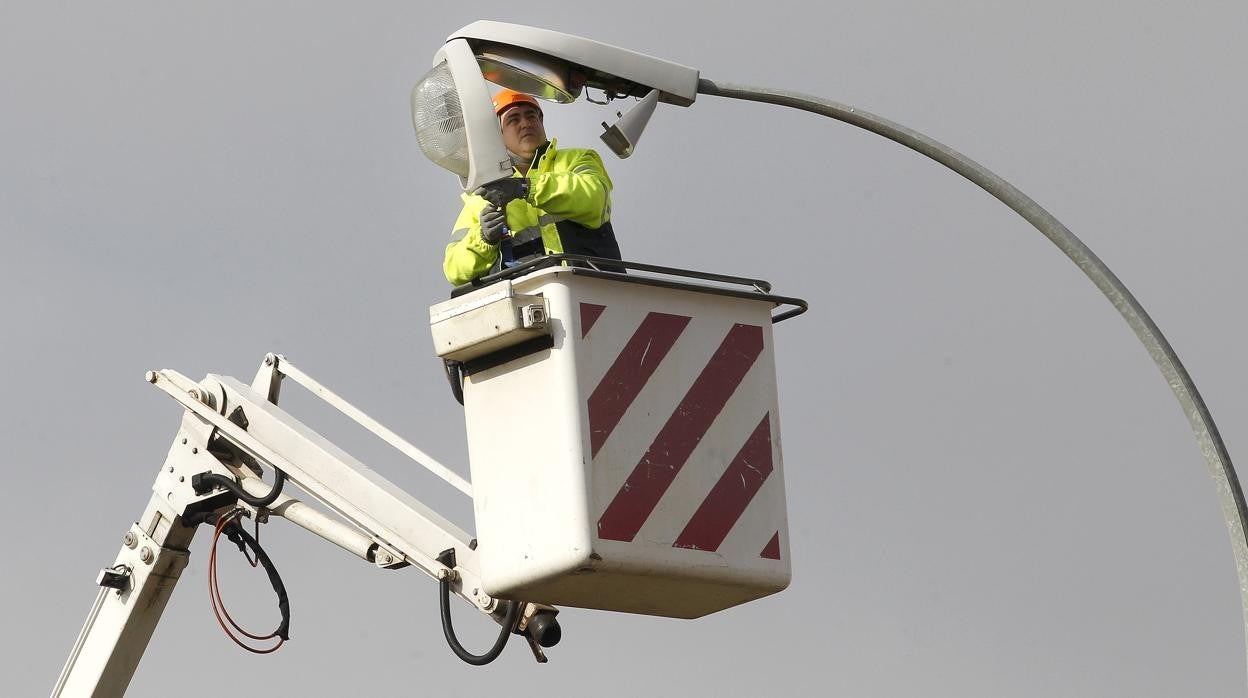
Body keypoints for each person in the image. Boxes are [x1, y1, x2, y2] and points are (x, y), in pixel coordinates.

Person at [443, 89, 622, 286]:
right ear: (497, 134)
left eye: (531, 116)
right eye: (513, 119)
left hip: (593, 291)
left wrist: (526, 187)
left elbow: (595, 199)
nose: (526, 123)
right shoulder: (482, 197)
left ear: (541, 122)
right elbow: (454, 269)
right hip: (525, 302)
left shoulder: (577, 159)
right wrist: (483, 239)